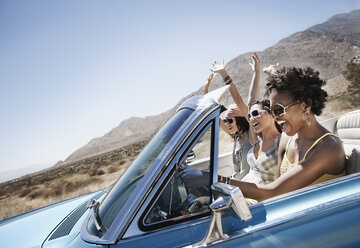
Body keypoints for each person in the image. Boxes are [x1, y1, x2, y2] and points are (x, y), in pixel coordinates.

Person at [220, 66, 346, 202]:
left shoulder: (328, 148)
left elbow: (273, 192)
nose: (274, 117)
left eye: (279, 110)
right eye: (272, 111)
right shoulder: (287, 139)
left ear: (306, 105)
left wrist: (216, 180)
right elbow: (279, 194)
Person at [210, 53, 281, 184]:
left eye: (255, 114)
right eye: (249, 116)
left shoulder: (281, 139)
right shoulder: (256, 139)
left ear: (271, 113)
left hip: (257, 195)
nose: (251, 118)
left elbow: (242, 101)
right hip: (243, 189)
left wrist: (225, 74)